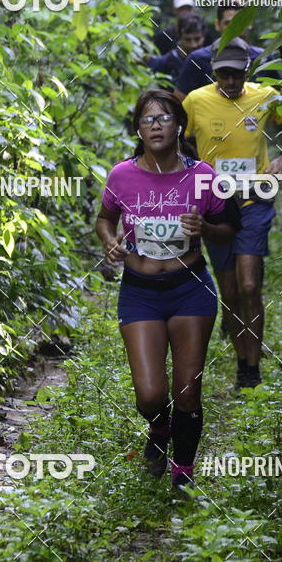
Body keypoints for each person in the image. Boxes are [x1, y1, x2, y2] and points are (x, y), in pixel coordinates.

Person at [95, 89, 237, 489]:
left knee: (188, 392)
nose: (155, 125)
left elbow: (229, 231)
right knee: (150, 395)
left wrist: (205, 229)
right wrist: (109, 241)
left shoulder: (204, 175)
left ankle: (183, 472)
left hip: (190, 288)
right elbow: (105, 218)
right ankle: (159, 428)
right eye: (146, 119)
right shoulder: (122, 174)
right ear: (137, 130)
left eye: (164, 118)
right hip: (140, 291)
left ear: (179, 126)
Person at [183, 38, 282, 389]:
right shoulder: (196, 100)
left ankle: (254, 368)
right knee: (232, 291)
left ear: (247, 70)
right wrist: (196, 166)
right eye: (224, 74)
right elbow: (180, 135)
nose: (231, 81)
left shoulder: (265, 96)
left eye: (237, 75)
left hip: (255, 200)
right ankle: (242, 364)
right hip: (216, 205)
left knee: (250, 285)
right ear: (214, 71)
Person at [173, 2, 281, 102]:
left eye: (240, 23)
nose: (234, 28)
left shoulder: (263, 59)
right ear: (217, 25)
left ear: (249, 24)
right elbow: (179, 104)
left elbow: (280, 100)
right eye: (228, 23)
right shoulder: (197, 59)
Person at [147, 14, 206, 83]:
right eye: (187, 40)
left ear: (204, 37)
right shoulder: (165, 63)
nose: (193, 45)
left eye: (197, 39)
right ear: (180, 38)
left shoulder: (211, 61)